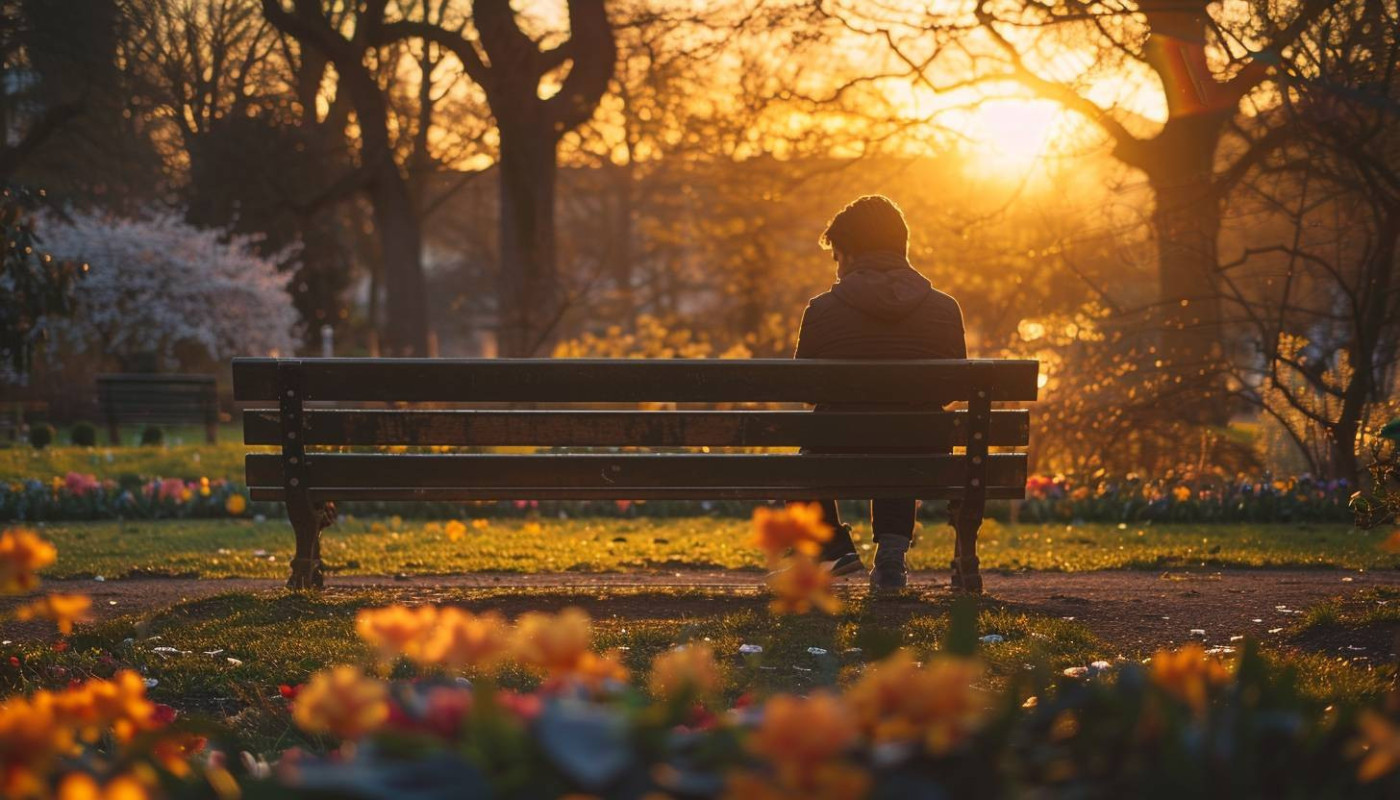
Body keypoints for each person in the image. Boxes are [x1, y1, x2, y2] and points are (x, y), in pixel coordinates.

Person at [792, 195, 968, 592]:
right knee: (906, 433)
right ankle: (891, 553)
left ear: (850, 255)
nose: (837, 270)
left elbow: (802, 389)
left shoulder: (822, 310)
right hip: (925, 452)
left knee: (810, 458)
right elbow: (956, 388)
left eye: (837, 259)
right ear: (901, 247)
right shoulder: (944, 309)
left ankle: (834, 548)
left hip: (837, 452)